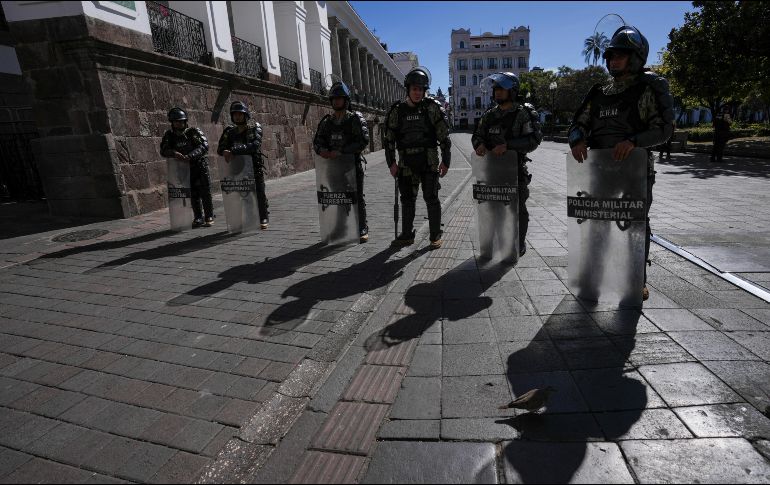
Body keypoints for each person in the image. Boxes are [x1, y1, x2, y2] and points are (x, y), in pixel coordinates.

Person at [567, 25, 674, 301]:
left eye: (621, 55)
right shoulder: (598, 92)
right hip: (600, 171)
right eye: (611, 55)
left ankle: (636, 279)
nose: (613, 60)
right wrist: (577, 140)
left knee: (635, 227)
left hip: (633, 172)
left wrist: (634, 141)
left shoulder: (647, 88)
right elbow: (578, 123)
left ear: (636, 57)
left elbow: (663, 128)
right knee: (597, 225)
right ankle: (592, 276)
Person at [471, 71, 543, 256]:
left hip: (515, 169)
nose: (497, 92)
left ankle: (519, 242)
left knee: (518, 208)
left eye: (501, 88)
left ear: (512, 90)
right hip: (491, 170)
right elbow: (477, 135)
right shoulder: (489, 115)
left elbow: (534, 139)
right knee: (493, 208)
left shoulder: (523, 113)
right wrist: (479, 145)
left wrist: (508, 146)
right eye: (495, 89)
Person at [383, 67, 452, 249]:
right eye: (414, 89)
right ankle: (407, 235)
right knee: (407, 200)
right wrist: (391, 163)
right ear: (408, 89)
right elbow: (388, 139)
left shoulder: (432, 107)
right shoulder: (397, 111)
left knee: (431, 198)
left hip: (428, 161)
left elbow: (444, 136)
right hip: (405, 162)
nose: (417, 92)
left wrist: (446, 160)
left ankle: (435, 234)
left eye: (421, 89)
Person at [313, 81, 371, 242]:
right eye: (334, 99)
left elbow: (363, 140)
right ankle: (340, 228)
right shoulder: (327, 121)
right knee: (337, 197)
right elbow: (317, 140)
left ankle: (361, 227)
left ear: (346, 100)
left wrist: (342, 151)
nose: (337, 101)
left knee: (356, 197)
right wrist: (322, 150)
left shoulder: (355, 119)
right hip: (332, 167)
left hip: (351, 165)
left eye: (340, 98)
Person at [217, 101, 269, 229]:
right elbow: (221, 147)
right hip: (237, 168)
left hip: (253, 167)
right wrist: (224, 150)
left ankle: (263, 217)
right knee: (242, 194)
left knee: (258, 193)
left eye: (240, 114)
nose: (237, 117)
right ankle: (248, 218)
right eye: (235, 114)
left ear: (245, 115)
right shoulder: (229, 132)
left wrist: (234, 150)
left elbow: (254, 145)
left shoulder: (254, 128)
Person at [160, 107, 214, 227]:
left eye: (181, 121)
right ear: (172, 123)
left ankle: (209, 215)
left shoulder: (193, 132)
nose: (179, 124)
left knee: (205, 192)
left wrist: (190, 156)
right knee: (193, 193)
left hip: (199, 166)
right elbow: (163, 150)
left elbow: (204, 146)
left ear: (185, 121)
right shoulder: (170, 136)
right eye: (176, 121)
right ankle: (198, 217)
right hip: (184, 169)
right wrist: (173, 153)